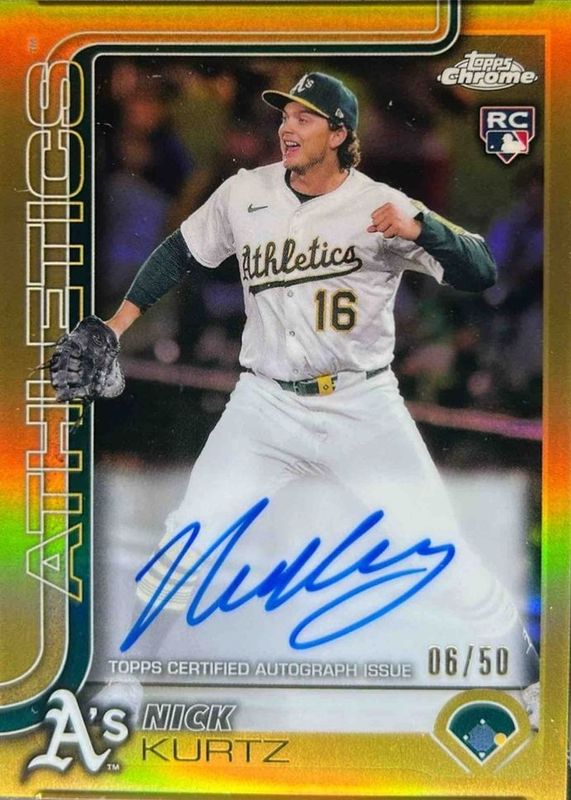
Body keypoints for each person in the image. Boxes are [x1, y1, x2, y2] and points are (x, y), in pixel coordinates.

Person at [102, 72, 538, 723]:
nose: (287, 126)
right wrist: (116, 324)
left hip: (360, 406)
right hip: (265, 403)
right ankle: (126, 682)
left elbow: (480, 270)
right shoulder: (245, 192)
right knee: (189, 540)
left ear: (338, 133)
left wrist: (423, 227)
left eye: (304, 117)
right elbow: (177, 253)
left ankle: (529, 681)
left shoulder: (380, 203)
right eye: (285, 115)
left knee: (440, 552)